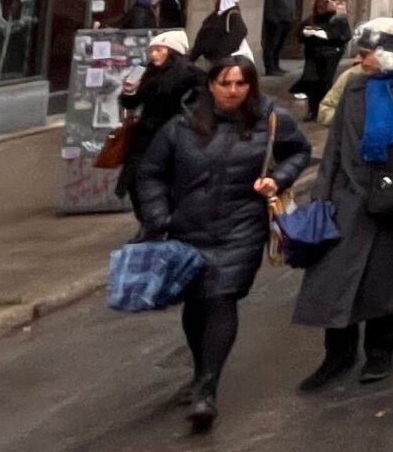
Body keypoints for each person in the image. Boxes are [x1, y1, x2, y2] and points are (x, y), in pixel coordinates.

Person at [129, 54, 311, 429]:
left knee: (221, 297)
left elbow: (299, 152)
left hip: (240, 227)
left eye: (241, 84)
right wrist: (158, 217)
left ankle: (207, 388)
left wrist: (278, 179)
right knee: (195, 304)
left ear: (251, 86)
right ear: (210, 85)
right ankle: (200, 372)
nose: (233, 91)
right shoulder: (181, 126)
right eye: (225, 83)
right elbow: (151, 173)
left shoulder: (271, 120)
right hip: (188, 227)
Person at [290, 18, 393, 389]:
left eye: (367, 53)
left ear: (389, 54)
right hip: (349, 196)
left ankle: (380, 353)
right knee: (333, 278)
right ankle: (337, 354)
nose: (360, 60)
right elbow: (336, 147)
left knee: (388, 281)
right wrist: (322, 195)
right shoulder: (356, 86)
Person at [112, 30, 197, 201]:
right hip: (144, 136)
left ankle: (159, 221)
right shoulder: (143, 71)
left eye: (159, 49)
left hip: (174, 135)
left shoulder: (190, 74)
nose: (153, 54)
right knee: (134, 181)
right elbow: (131, 103)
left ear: (173, 51)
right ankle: (146, 222)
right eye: (152, 50)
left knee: (167, 182)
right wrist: (129, 92)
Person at [292, 0, 351, 116]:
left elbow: (345, 36)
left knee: (325, 82)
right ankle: (312, 110)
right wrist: (306, 33)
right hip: (312, 54)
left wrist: (326, 35)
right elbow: (299, 34)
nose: (320, 9)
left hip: (330, 55)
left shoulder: (338, 19)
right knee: (311, 80)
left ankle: (323, 109)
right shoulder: (311, 19)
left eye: (323, 6)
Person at [192, 0, 248, 66]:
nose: (214, 2)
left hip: (219, 62)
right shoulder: (216, 15)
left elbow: (239, 33)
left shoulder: (233, 15)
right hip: (208, 59)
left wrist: (221, 56)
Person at [261, 0, 300, 71]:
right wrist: (273, 19)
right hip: (275, 23)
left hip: (287, 22)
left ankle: (276, 65)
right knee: (272, 45)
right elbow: (269, 7)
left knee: (280, 45)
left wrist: (293, 18)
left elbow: (293, 6)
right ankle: (269, 67)